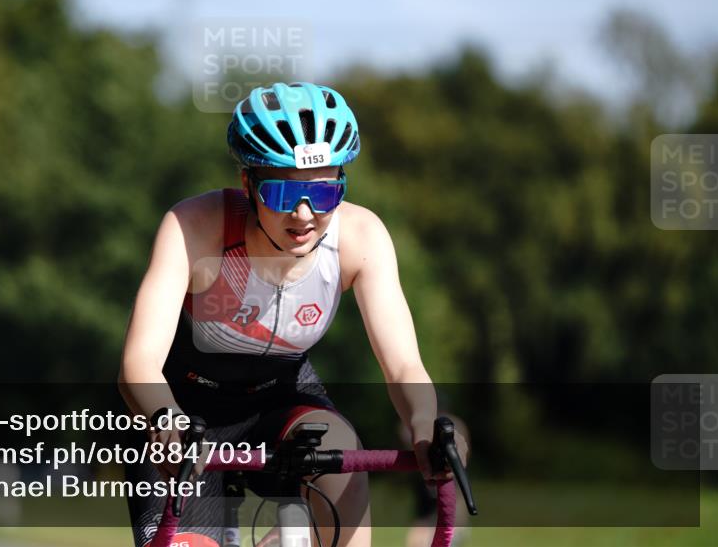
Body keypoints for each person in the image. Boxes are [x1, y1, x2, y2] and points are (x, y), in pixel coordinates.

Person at [118, 82, 467, 547]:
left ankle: (291, 540)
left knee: (343, 458)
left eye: (324, 193)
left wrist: (424, 423)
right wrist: (165, 419)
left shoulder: (361, 237)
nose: (304, 215)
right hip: (184, 408)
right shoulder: (195, 227)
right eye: (283, 194)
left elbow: (404, 365)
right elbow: (137, 365)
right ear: (249, 184)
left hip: (281, 396)